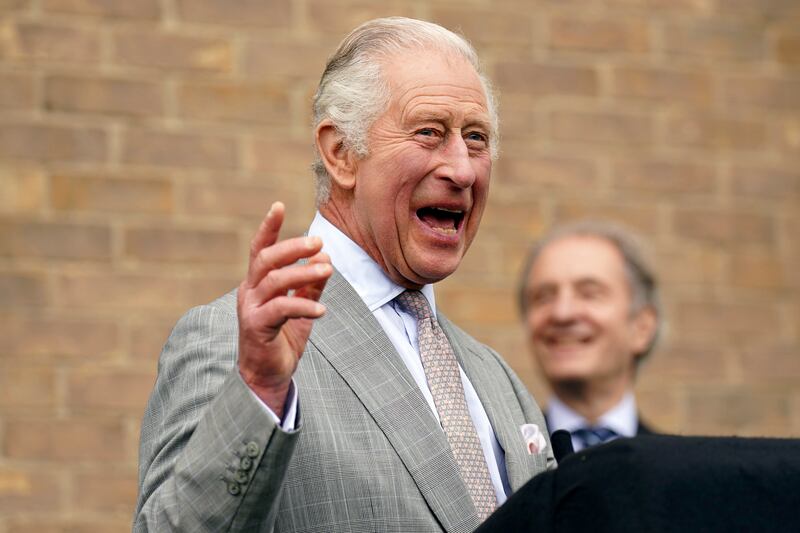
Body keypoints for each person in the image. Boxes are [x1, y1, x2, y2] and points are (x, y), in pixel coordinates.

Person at [134, 17, 554, 533]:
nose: (462, 169)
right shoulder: (234, 343)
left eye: (475, 138)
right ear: (341, 153)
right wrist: (260, 392)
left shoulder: (498, 380)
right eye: (429, 132)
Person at [518, 220, 661, 452]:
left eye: (589, 293)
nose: (562, 313)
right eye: (543, 296)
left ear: (642, 327)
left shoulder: (679, 473)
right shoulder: (501, 470)